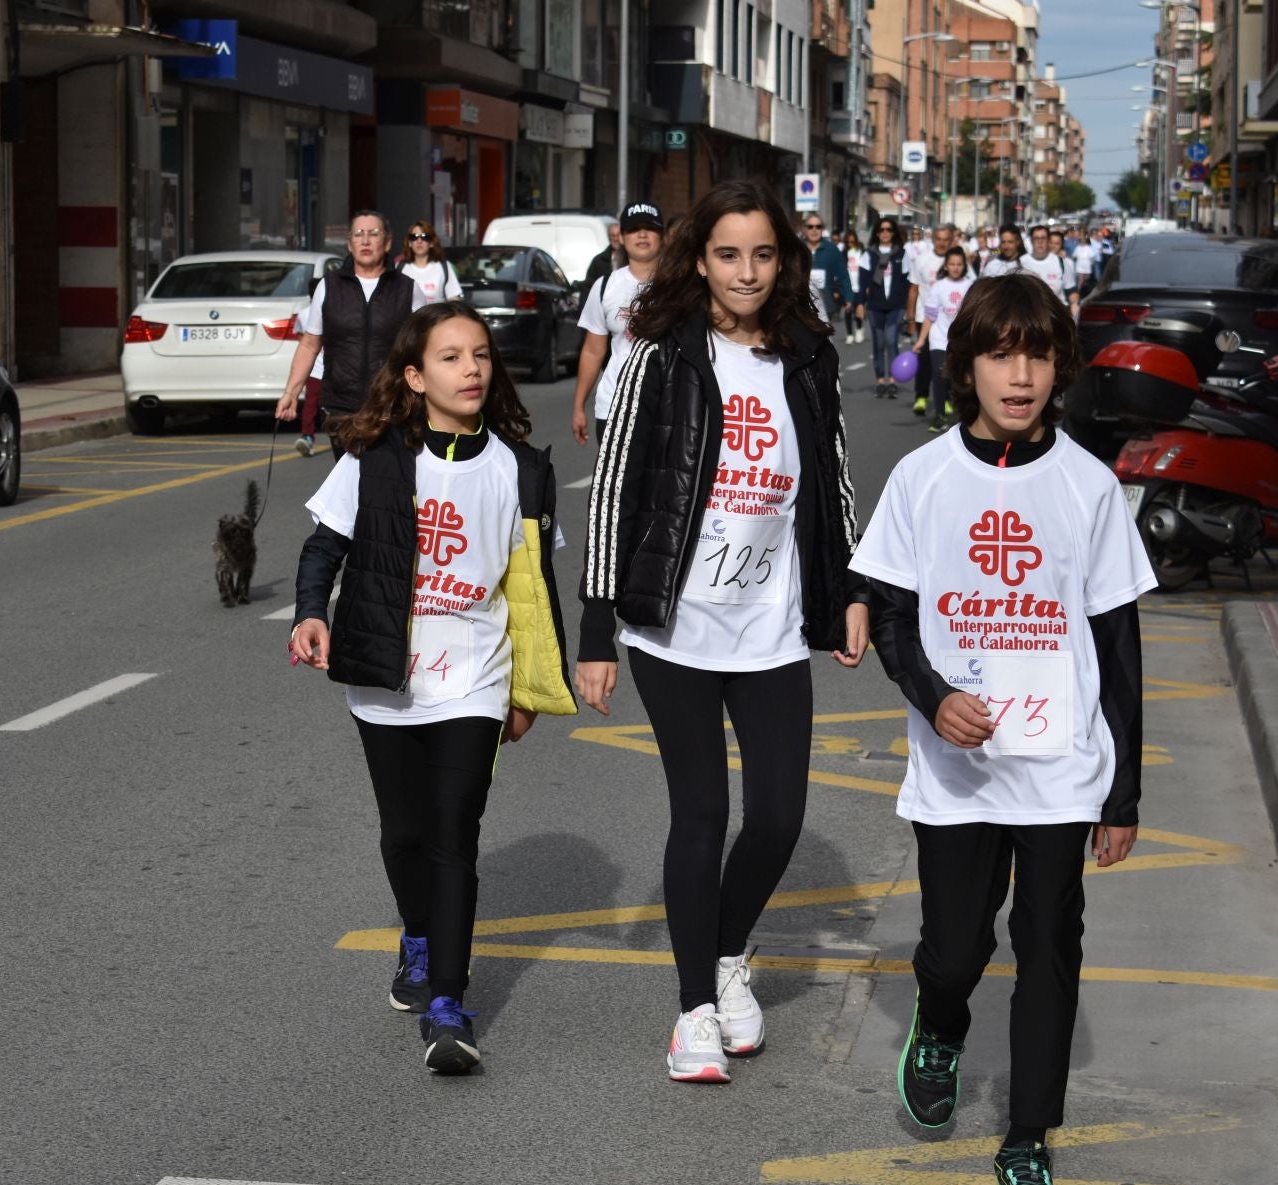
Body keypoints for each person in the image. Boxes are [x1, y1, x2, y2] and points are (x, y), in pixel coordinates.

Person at [850, 273, 1153, 1185]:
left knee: (1049, 947)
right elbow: (894, 618)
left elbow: (1117, 645)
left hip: (1059, 767)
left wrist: (1123, 793)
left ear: (1060, 365)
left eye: (1036, 355)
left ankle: (1027, 1145)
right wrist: (935, 701)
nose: (1018, 376)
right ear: (968, 364)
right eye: (998, 354)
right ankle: (938, 1028)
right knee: (953, 951)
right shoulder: (924, 477)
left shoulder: (1089, 486)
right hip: (958, 772)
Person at [578, 179, 870, 1084]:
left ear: (785, 261)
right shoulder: (660, 355)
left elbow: (833, 480)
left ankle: (728, 948)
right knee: (700, 813)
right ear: (698, 259)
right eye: (728, 254)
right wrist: (595, 630)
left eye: (764, 254)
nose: (747, 272)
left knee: (779, 816)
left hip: (772, 624)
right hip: (675, 625)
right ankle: (694, 1010)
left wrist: (848, 587)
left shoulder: (808, 358)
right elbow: (616, 492)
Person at [290, 300, 577, 1074]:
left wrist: (527, 686)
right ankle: (416, 937)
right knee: (405, 831)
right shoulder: (375, 455)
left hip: (476, 678)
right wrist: (310, 614)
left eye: (480, 354)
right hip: (388, 673)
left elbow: (531, 588)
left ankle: (449, 1005)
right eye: (450, 358)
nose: (472, 369)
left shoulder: (521, 469)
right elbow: (325, 546)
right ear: (415, 377)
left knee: (454, 831)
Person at [275, 211, 425, 457]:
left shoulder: (408, 289)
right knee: (349, 486)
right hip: (341, 406)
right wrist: (291, 392)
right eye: (358, 234)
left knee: (385, 484)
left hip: (392, 405)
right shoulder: (329, 286)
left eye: (373, 234)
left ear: (387, 242)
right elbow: (310, 345)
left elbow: (424, 348)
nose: (365, 241)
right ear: (349, 243)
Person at [572, 201, 664, 443]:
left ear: (662, 236)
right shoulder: (604, 287)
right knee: (617, 481)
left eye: (650, 228)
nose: (642, 234)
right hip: (614, 405)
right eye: (634, 229)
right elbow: (593, 351)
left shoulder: (679, 287)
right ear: (621, 237)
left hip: (666, 407)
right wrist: (579, 406)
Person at [910, 245, 970, 426]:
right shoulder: (938, 287)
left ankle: (961, 413)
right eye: (952, 264)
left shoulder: (970, 285)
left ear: (964, 265)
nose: (955, 267)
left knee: (960, 377)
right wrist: (921, 340)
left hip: (961, 341)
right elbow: (930, 316)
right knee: (939, 374)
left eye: (959, 264)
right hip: (939, 338)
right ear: (946, 266)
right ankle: (939, 414)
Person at [858, 217, 910, 398]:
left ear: (894, 233)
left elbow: (906, 283)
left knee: (891, 341)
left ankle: (893, 380)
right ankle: (881, 380)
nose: (885, 233)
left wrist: (907, 307)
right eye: (882, 230)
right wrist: (859, 304)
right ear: (877, 233)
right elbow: (862, 282)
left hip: (896, 305)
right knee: (879, 343)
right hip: (875, 305)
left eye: (889, 230)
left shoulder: (901, 255)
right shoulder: (868, 254)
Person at [801, 214, 855, 325]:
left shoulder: (832, 250)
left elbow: (843, 275)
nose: (814, 230)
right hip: (801, 305)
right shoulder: (796, 249)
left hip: (825, 305)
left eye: (818, 226)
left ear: (822, 229)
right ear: (805, 230)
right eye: (810, 227)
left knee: (821, 339)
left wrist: (848, 297)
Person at [1020, 226, 1080, 316]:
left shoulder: (1061, 262)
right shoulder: (1021, 262)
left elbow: (1071, 291)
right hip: (1030, 316)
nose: (1040, 242)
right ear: (1031, 241)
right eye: (1036, 238)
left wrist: (1075, 310)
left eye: (1043, 238)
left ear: (1048, 240)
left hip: (1056, 316)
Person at [400, 220, 463, 304]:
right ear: (409, 243)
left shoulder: (443, 267)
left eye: (424, 237)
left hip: (437, 316)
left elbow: (454, 299)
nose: (419, 241)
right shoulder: (400, 268)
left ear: (431, 243)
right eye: (414, 237)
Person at [583, 219, 625, 299]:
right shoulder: (598, 261)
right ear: (609, 237)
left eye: (618, 235)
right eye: (613, 235)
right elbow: (587, 288)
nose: (616, 239)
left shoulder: (631, 259)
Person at [842, 231, 866, 344]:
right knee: (848, 310)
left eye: (852, 241)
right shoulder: (844, 252)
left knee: (858, 309)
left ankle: (859, 329)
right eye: (848, 241)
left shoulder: (861, 252)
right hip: (848, 286)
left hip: (859, 285)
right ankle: (849, 334)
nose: (850, 243)